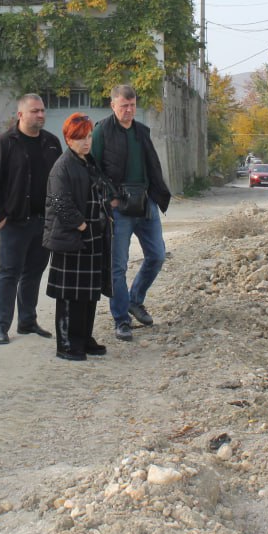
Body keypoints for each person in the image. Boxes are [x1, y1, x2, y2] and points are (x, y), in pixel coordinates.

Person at [91, 84, 171, 342]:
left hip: (146, 203)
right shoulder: (102, 131)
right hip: (120, 207)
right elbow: (93, 169)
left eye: (132, 105)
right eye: (124, 105)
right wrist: (110, 198)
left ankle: (135, 301)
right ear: (113, 105)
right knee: (118, 266)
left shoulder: (141, 132)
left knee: (157, 256)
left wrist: (158, 195)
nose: (129, 110)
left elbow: (153, 166)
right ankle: (121, 320)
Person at [0, 94, 62, 345]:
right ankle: (0, 326)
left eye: (42, 110)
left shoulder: (51, 143)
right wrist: (0, 218)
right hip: (14, 223)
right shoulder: (4, 142)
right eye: (34, 111)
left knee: (34, 272)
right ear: (20, 115)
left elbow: (59, 181)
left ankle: (27, 321)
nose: (40, 115)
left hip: (43, 221)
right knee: (9, 273)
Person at [43, 113, 113, 361]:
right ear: (68, 139)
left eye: (88, 136)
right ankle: (66, 344)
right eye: (79, 138)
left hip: (93, 238)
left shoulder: (88, 161)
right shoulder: (62, 166)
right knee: (70, 295)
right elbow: (61, 204)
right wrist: (83, 226)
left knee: (90, 292)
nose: (86, 142)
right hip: (72, 239)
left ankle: (84, 337)